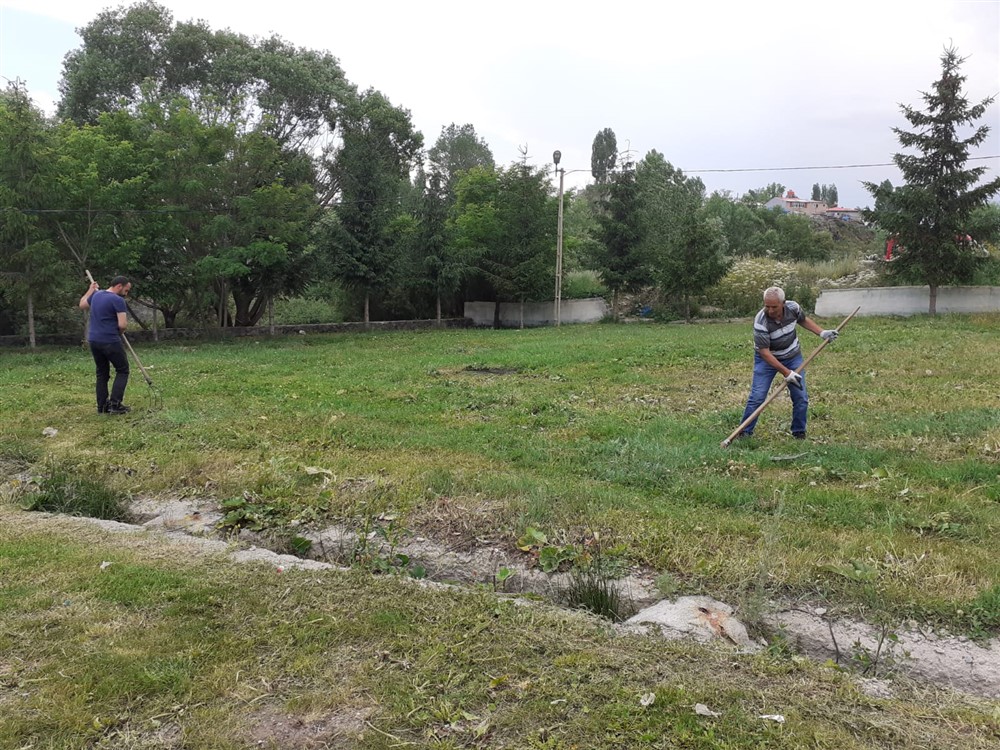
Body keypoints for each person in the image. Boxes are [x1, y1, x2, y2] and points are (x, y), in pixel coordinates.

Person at [737, 286, 839, 440]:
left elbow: (803, 320)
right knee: (757, 396)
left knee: (801, 396)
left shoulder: (793, 308)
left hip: (792, 356)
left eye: (774, 306)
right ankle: (744, 432)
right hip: (767, 360)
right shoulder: (761, 321)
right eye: (767, 306)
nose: (770, 310)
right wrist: (787, 373)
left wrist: (822, 332)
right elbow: (764, 352)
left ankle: (799, 432)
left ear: (783, 303)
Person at [79, 276, 132, 415]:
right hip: (110, 340)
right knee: (122, 370)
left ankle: (102, 407)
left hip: (94, 340)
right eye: (126, 290)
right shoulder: (118, 300)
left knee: (102, 374)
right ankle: (115, 405)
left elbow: (82, 304)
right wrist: (120, 332)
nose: (126, 294)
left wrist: (90, 290)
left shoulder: (97, 295)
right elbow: (122, 324)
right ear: (119, 286)